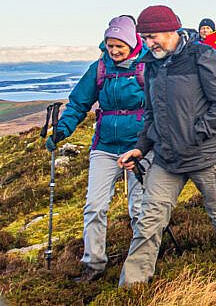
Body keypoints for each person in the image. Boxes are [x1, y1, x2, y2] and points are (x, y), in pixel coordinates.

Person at [117, 5, 216, 286]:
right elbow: (151, 113)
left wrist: (194, 134)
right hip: (167, 160)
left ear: (172, 31)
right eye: (146, 38)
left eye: (153, 37)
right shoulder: (152, 65)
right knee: (148, 223)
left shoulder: (202, 56)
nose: (149, 43)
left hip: (208, 157)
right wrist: (141, 148)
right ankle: (131, 287)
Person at [44, 15, 150, 282]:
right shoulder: (100, 67)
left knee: (138, 208)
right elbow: (79, 103)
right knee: (94, 206)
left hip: (139, 147)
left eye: (119, 46)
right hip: (104, 146)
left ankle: (139, 266)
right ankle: (93, 264)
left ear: (131, 42)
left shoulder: (147, 66)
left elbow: (160, 106)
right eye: (109, 45)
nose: (114, 51)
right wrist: (62, 130)